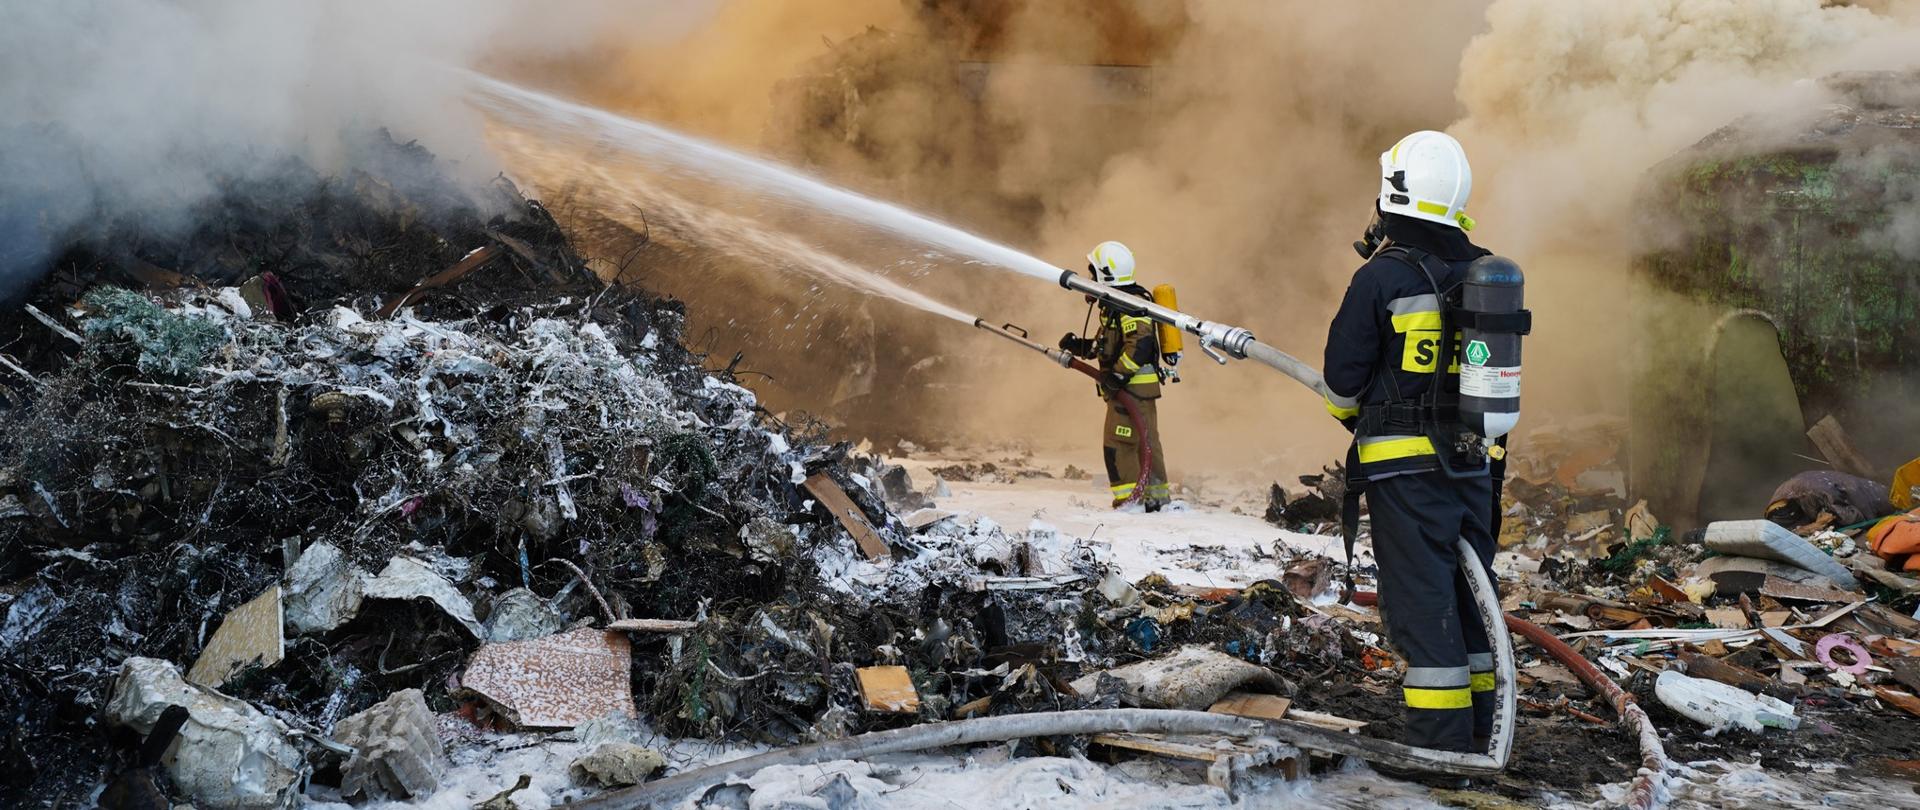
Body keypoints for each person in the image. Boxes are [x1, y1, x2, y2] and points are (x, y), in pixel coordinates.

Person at [1321, 131, 1503, 763]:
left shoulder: (1383, 277)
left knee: (1421, 600)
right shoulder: (1485, 274)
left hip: (1404, 469)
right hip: (1476, 462)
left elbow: (1342, 382)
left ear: (1394, 192)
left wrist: (1360, 415)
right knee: (1469, 594)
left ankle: (1439, 751)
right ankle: (1484, 726)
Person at [1059, 241, 1171, 510]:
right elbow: (1112, 345)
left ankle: (1130, 501)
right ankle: (1155, 499)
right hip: (1135, 389)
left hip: (1131, 389)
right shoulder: (1116, 304)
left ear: (1106, 274)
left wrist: (1118, 377)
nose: (1090, 279)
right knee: (1146, 442)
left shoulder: (1128, 304)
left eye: (1093, 272)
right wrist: (1080, 346)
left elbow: (1140, 344)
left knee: (1119, 444)